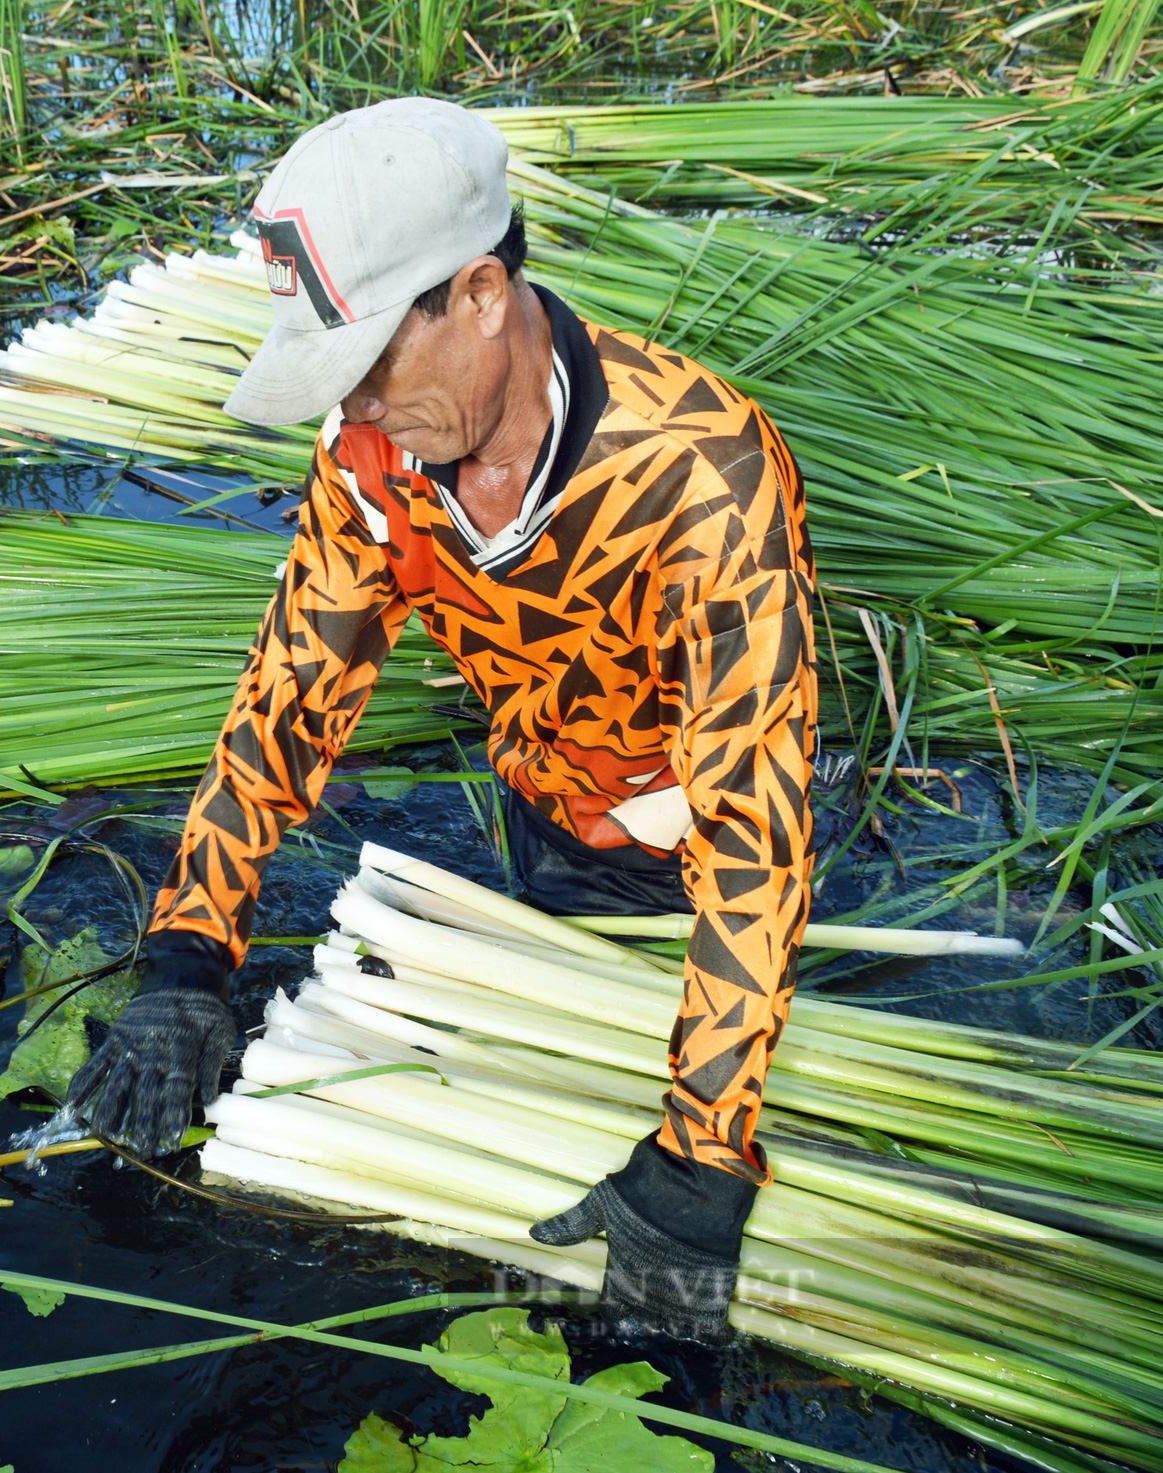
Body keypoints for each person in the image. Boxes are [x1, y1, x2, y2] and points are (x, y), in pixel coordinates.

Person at [64, 97, 817, 1343]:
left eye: (366, 366)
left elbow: (752, 825)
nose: (350, 412)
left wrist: (701, 1155)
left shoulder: (701, 475)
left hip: (690, 857)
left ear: (476, 294)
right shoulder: (373, 466)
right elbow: (290, 697)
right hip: (543, 823)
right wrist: (189, 951)